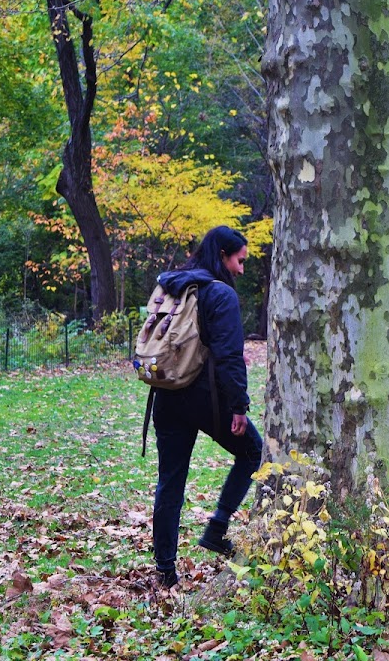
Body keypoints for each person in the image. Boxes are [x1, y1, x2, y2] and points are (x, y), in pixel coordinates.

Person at [149, 225, 264, 588]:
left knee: (170, 481)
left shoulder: (174, 284)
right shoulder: (220, 294)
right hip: (206, 398)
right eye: (239, 261)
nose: (241, 270)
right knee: (253, 451)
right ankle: (217, 527)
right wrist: (239, 407)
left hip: (165, 393)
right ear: (223, 256)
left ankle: (165, 571)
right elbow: (230, 358)